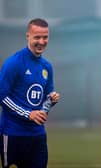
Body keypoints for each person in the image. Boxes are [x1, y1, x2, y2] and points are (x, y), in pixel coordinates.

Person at [0, 18, 60, 168]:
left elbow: (44, 103)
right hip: (13, 133)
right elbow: (2, 96)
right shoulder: (14, 63)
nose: (41, 41)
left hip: (37, 135)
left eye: (45, 37)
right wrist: (28, 114)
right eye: (37, 37)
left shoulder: (47, 66)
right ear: (28, 36)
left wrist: (50, 101)